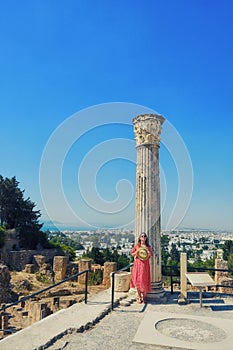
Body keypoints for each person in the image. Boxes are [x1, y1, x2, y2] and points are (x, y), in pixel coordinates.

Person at [130, 232, 152, 304]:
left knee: (144, 280)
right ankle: (139, 297)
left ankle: (144, 297)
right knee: (138, 281)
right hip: (138, 264)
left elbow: (151, 256)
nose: (143, 237)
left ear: (146, 238)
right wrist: (136, 252)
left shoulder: (148, 247)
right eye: (142, 236)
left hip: (145, 265)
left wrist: (149, 253)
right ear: (139, 238)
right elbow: (132, 254)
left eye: (144, 236)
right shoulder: (137, 246)